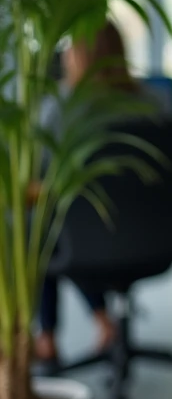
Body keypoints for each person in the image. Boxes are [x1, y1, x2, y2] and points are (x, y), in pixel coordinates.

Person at [36, 21, 165, 363]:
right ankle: (103, 320)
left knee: (40, 235)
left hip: (86, 240)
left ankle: (46, 337)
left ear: (77, 55)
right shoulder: (152, 102)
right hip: (155, 238)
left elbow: (39, 172)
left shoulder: (62, 108)